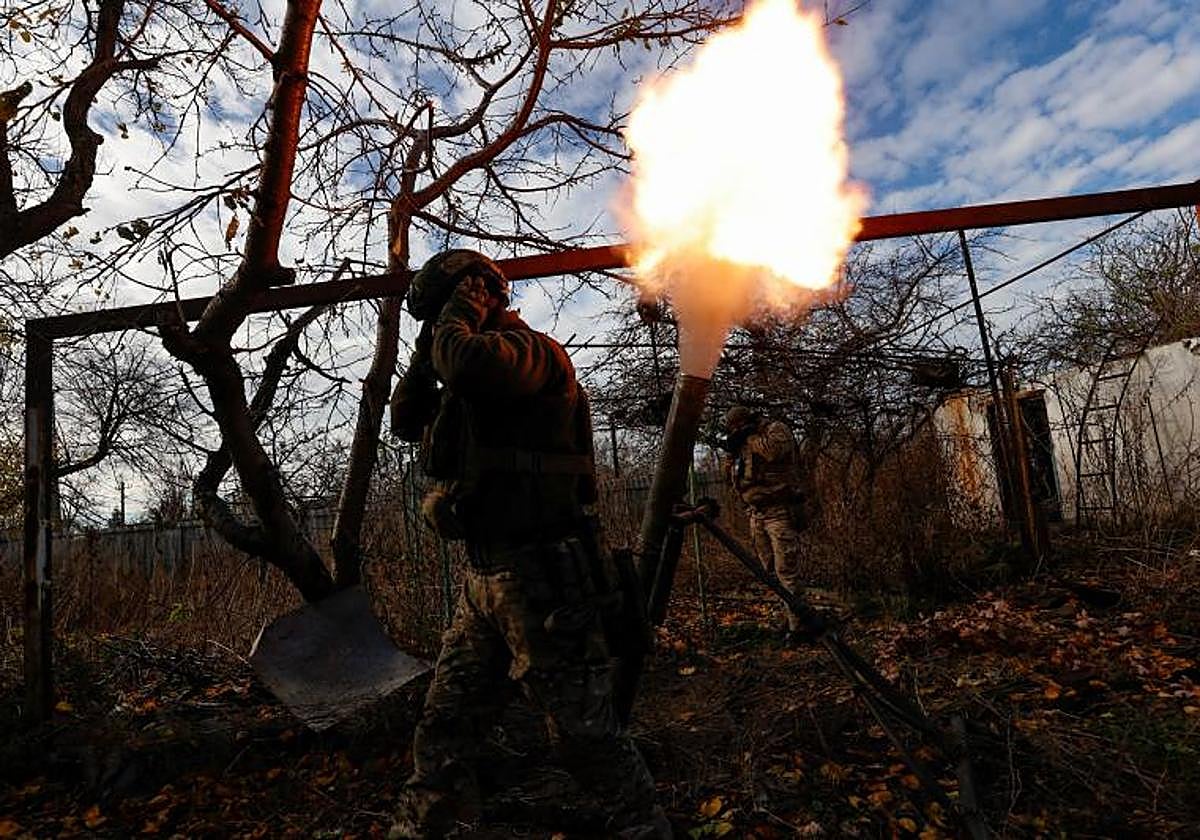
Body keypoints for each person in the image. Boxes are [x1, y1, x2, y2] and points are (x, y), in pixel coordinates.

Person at [387, 249, 669, 840]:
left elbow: (467, 364)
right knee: (445, 726)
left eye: (445, 311)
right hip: (484, 582)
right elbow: (406, 420)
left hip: (543, 579)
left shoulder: (531, 353)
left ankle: (645, 826)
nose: (440, 326)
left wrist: (458, 315)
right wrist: (422, 352)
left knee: (583, 737)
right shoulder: (462, 368)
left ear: (477, 296)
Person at [721, 405, 810, 640]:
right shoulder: (741, 443)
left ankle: (800, 626)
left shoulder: (775, 430)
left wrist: (749, 437)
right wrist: (731, 453)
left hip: (779, 511)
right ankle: (787, 619)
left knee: (786, 570)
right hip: (756, 513)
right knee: (769, 572)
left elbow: (773, 453)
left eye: (738, 427)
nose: (736, 432)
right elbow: (730, 477)